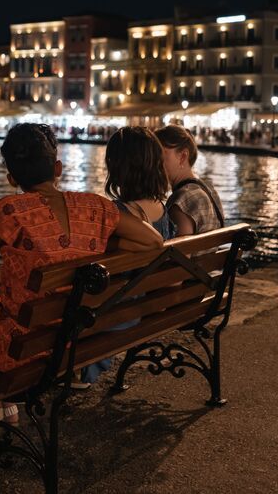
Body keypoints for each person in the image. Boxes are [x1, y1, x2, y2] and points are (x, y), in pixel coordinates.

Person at [0, 123, 163, 458]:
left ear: (11, 178)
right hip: (72, 339)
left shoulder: (9, 211)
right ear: (58, 169)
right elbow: (154, 240)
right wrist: (103, 241)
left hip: (22, 348)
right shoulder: (96, 208)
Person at [79, 126, 175, 386]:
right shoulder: (162, 210)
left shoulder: (117, 214)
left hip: (116, 315)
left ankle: (83, 371)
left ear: (117, 167)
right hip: (142, 308)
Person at [155, 124, 225, 236]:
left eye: (161, 154)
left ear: (183, 156)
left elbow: (180, 253)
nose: (155, 162)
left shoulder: (181, 202)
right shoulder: (209, 189)